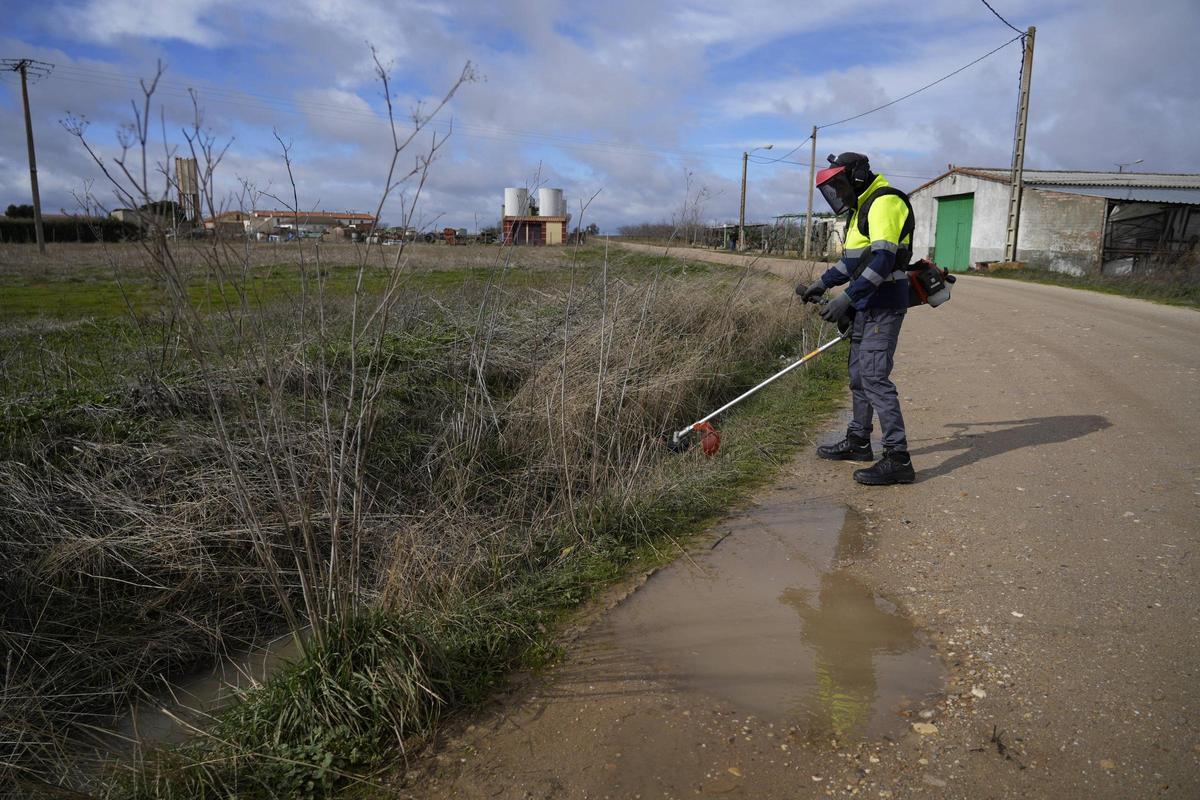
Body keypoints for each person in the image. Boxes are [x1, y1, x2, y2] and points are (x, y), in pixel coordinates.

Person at [799, 152, 916, 485]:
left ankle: (898, 458)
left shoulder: (884, 202)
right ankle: (859, 441)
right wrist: (821, 284)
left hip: (884, 305)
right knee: (858, 376)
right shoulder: (861, 208)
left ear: (857, 177)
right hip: (866, 305)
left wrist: (846, 298)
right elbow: (852, 262)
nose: (837, 193)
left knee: (875, 377)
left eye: (839, 185)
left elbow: (883, 260)